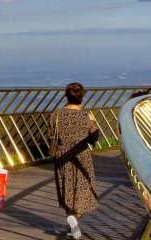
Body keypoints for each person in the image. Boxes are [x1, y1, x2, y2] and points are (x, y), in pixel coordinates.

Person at [50, 82, 100, 239]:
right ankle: (74, 222)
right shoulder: (85, 116)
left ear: (66, 96)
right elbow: (94, 138)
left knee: (66, 189)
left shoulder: (56, 115)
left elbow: (51, 136)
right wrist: (94, 122)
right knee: (82, 190)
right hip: (82, 157)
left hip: (62, 157)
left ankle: (72, 226)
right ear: (82, 96)